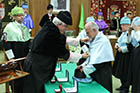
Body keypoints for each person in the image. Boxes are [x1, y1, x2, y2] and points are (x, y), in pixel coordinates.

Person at [22, 11, 89, 93]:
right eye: (66, 27)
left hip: (34, 62)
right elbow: (65, 55)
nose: (67, 29)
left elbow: (62, 39)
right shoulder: (53, 34)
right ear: (60, 24)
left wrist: (79, 41)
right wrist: (82, 56)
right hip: (37, 66)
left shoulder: (50, 27)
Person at [77, 22, 114, 92]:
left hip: (102, 72)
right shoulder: (94, 39)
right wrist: (83, 65)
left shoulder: (103, 41)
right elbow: (91, 56)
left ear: (94, 30)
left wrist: (84, 69)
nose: (87, 35)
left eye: (88, 32)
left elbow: (98, 62)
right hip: (95, 71)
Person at [1, 7, 31, 93]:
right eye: (19, 16)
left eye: (22, 15)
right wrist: (11, 58)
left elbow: (28, 42)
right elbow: (6, 44)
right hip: (15, 58)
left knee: (25, 79)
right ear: (14, 17)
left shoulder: (24, 27)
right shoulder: (9, 27)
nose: (21, 17)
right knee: (16, 81)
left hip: (25, 58)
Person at [112, 17, 132, 93]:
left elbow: (131, 45)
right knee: (119, 71)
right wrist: (116, 45)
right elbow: (119, 41)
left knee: (125, 72)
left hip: (126, 55)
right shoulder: (123, 33)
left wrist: (122, 49)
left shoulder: (130, 34)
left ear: (128, 25)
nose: (121, 27)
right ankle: (122, 85)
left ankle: (125, 88)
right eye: (121, 25)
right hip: (120, 54)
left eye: (123, 25)